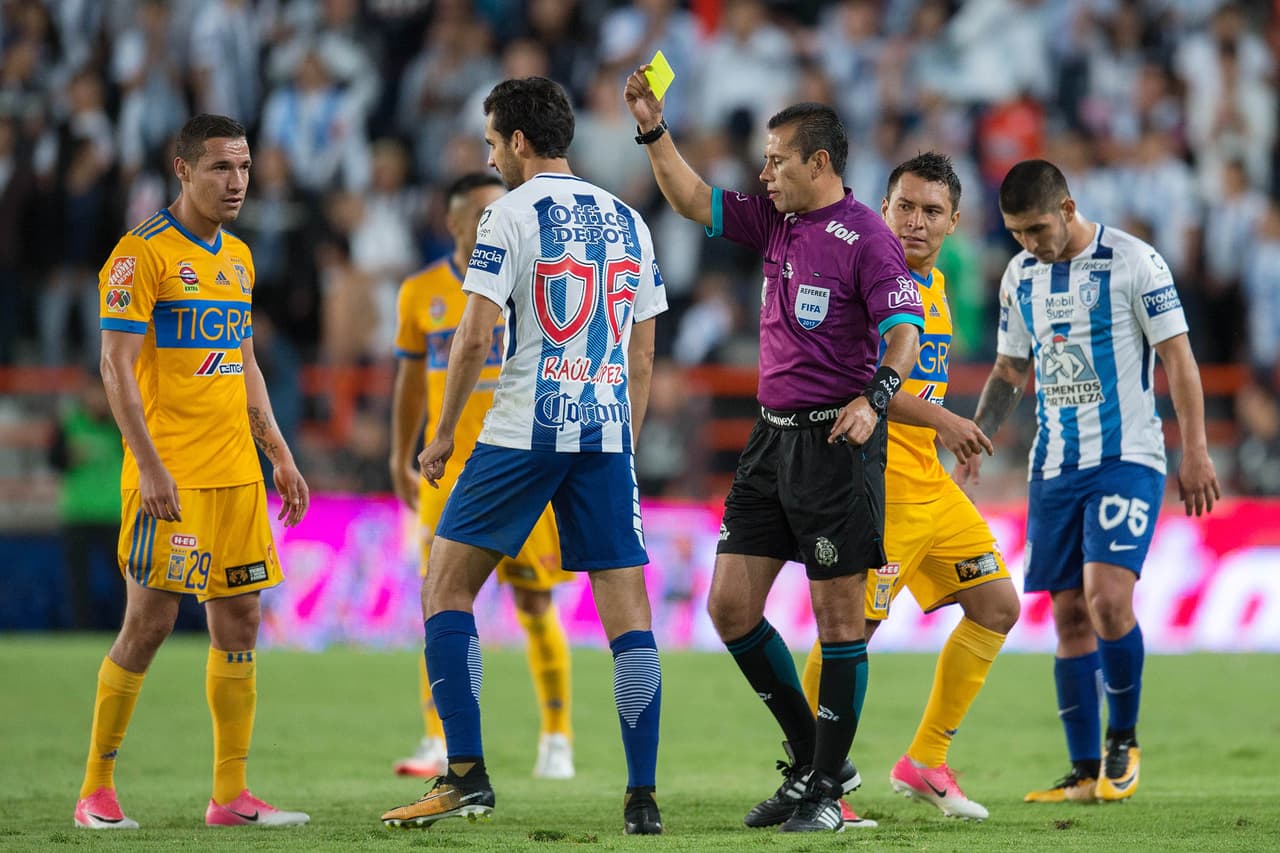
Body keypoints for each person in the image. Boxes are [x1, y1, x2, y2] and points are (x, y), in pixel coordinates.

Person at [624, 71, 922, 832]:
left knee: (838, 618)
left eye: (777, 160)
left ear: (818, 163)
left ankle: (824, 789)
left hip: (835, 442)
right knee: (729, 606)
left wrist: (874, 399)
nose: (765, 174)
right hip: (770, 439)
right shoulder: (776, 222)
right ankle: (814, 757)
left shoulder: (868, 238)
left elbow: (904, 335)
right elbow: (693, 198)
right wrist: (655, 130)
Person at [379, 77, 667, 835]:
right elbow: (643, 357)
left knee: (444, 587)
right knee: (627, 618)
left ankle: (466, 775)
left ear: (514, 141)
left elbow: (473, 337)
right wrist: (624, 439)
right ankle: (642, 797)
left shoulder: (505, 215)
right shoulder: (631, 221)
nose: (490, 157)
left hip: (520, 429)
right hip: (604, 433)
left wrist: (441, 434)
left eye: (489, 143)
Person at [74, 114, 311, 831]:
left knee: (240, 620)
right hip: (169, 475)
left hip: (236, 473)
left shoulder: (238, 258)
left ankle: (231, 795)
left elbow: (240, 361)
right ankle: (96, 789)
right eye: (219, 168)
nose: (236, 182)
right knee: (147, 624)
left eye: (242, 168)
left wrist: (279, 451)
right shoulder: (138, 254)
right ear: (182, 170)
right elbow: (114, 365)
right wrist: (146, 463)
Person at [960, 159, 1220, 803]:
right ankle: (1082, 774)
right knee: (1069, 613)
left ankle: (1122, 741)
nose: (1029, 243)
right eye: (1016, 232)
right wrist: (977, 435)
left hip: (1128, 456)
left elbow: (1179, 360)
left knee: (1107, 599)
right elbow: (1008, 369)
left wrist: (1197, 451)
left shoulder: (1137, 262)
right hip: (1053, 466)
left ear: (1069, 209)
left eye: (1038, 228)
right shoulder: (1020, 276)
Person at [797, 152, 1020, 822]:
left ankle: (925, 759)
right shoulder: (867, 279)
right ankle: (813, 773)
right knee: (849, 630)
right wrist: (950, 420)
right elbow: (867, 389)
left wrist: (957, 438)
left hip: (930, 484)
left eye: (931, 211)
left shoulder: (938, 282)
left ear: (954, 221)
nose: (914, 222)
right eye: (904, 207)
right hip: (876, 487)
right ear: (882, 207)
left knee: (997, 605)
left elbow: (923, 380)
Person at [389, 171, 576, 781]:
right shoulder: (420, 293)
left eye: (500, 212)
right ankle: (437, 736)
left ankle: (556, 735)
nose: (491, 222)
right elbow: (410, 384)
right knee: (437, 598)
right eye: (478, 213)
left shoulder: (532, 282)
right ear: (453, 220)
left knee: (534, 601)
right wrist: (399, 455)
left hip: (520, 466)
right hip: (445, 476)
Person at [49, 369, 126, 630]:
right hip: (78, 513)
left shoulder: (121, 424)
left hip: (114, 513)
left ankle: (128, 632)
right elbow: (54, 461)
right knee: (78, 582)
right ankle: (80, 631)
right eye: (94, 391)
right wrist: (68, 457)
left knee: (125, 582)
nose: (98, 399)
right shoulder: (69, 423)